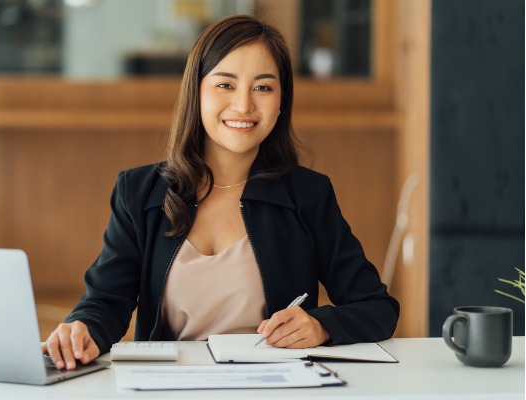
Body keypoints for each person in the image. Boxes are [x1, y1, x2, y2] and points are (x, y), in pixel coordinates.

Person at [42, 14, 399, 370]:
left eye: (263, 87)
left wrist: (322, 326)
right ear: (196, 91)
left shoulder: (308, 194)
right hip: (169, 387)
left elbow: (377, 308)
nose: (244, 105)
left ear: (280, 101)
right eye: (225, 85)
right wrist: (82, 330)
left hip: (277, 386)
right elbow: (105, 302)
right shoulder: (138, 193)